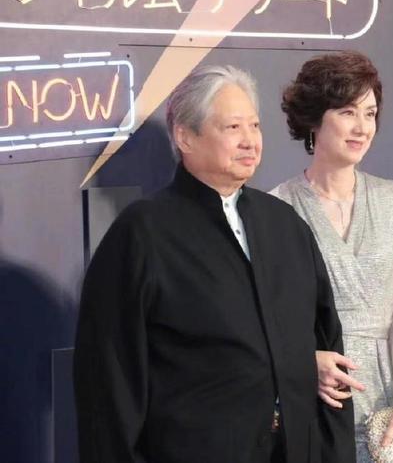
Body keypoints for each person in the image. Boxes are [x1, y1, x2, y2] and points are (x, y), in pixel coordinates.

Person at [73, 65, 355, 463]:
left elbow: (327, 347)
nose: (250, 141)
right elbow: (109, 383)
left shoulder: (284, 224)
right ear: (185, 137)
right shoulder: (141, 234)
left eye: (255, 126)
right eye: (233, 128)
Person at [270, 51, 393, 463]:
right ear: (314, 118)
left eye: (370, 113)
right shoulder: (277, 208)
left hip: (388, 405)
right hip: (315, 400)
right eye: (347, 112)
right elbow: (268, 319)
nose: (362, 127)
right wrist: (305, 362)